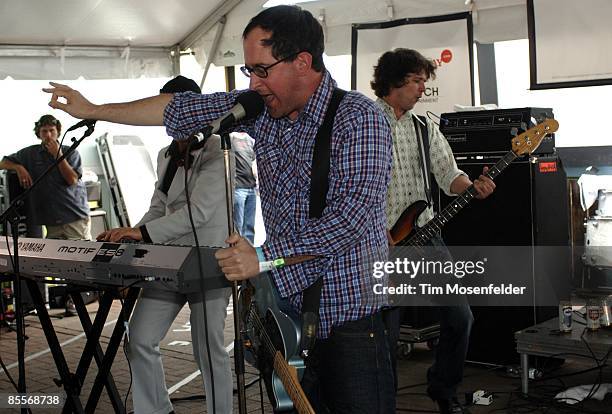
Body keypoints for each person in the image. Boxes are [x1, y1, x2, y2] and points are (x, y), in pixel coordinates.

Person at [44, 6, 395, 413]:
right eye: (248, 71)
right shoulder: (264, 110)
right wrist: (94, 109)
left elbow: (349, 220)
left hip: (347, 318)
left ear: (303, 61)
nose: (254, 83)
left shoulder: (358, 117)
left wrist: (263, 257)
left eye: (262, 69)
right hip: (286, 312)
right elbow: (177, 108)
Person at [95, 76, 233, 414]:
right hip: (168, 260)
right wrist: (130, 232)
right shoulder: (165, 154)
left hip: (209, 261)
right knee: (139, 337)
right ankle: (156, 410)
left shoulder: (220, 150)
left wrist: (141, 235)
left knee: (207, 349)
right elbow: (159, 206)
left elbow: (199, 213)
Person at [371, 48, 495, 414]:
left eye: (425, 82)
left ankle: (443, 389)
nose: (422, 89)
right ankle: (383, 403)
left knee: (459, 316)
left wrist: (471, 185)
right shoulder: (365, 121)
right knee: (384, 334)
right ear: (394, 81)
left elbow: (448, 175)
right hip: (381, 244)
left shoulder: (426, 126)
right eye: (416, 81)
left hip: (426, 235)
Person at [0, 114, 91, 240]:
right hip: (51, 220)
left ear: (58, 132)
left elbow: (72, 180)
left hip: (74, 217)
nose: (48, 135)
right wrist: (18, 167)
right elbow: (3, 163)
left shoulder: (71, 152)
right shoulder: (30, 153)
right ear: (39, 133)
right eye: (44, 131)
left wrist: (58, 155)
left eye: (52, 130)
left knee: (81, 256)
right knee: (53, 257)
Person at [231, 132, 257, 244]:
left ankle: (249, 249)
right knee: (238, 225)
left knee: (249, 226)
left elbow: (252, 161)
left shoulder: (250, 139)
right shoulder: (230, 137)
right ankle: (237, 251)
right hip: (237, 187)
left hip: (251, 187)